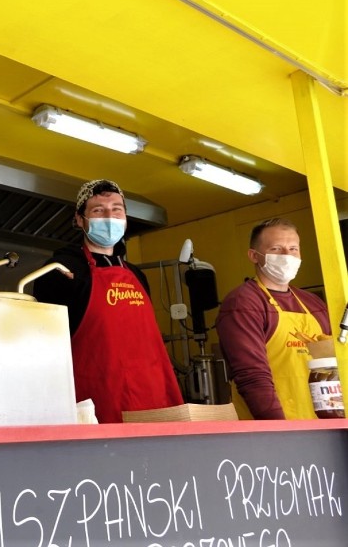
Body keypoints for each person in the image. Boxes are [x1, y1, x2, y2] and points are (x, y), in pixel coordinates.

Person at [33, 179, 183, 423]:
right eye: (98, 210)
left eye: (116, 210)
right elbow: (45, 345)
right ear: (80, 220)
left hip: (153, 398)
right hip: (96, 403)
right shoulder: (60, 271)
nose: (109, 216)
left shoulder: (137, 275)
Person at [215, 218, 331, 420]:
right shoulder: (243, 303)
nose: (287, 256)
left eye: (293, 249)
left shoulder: (314, 304)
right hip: (274, 430)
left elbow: (333, 368)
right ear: (254, 256)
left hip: (323, 426)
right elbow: (252, 377)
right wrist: (280, 431)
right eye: (277, 249)